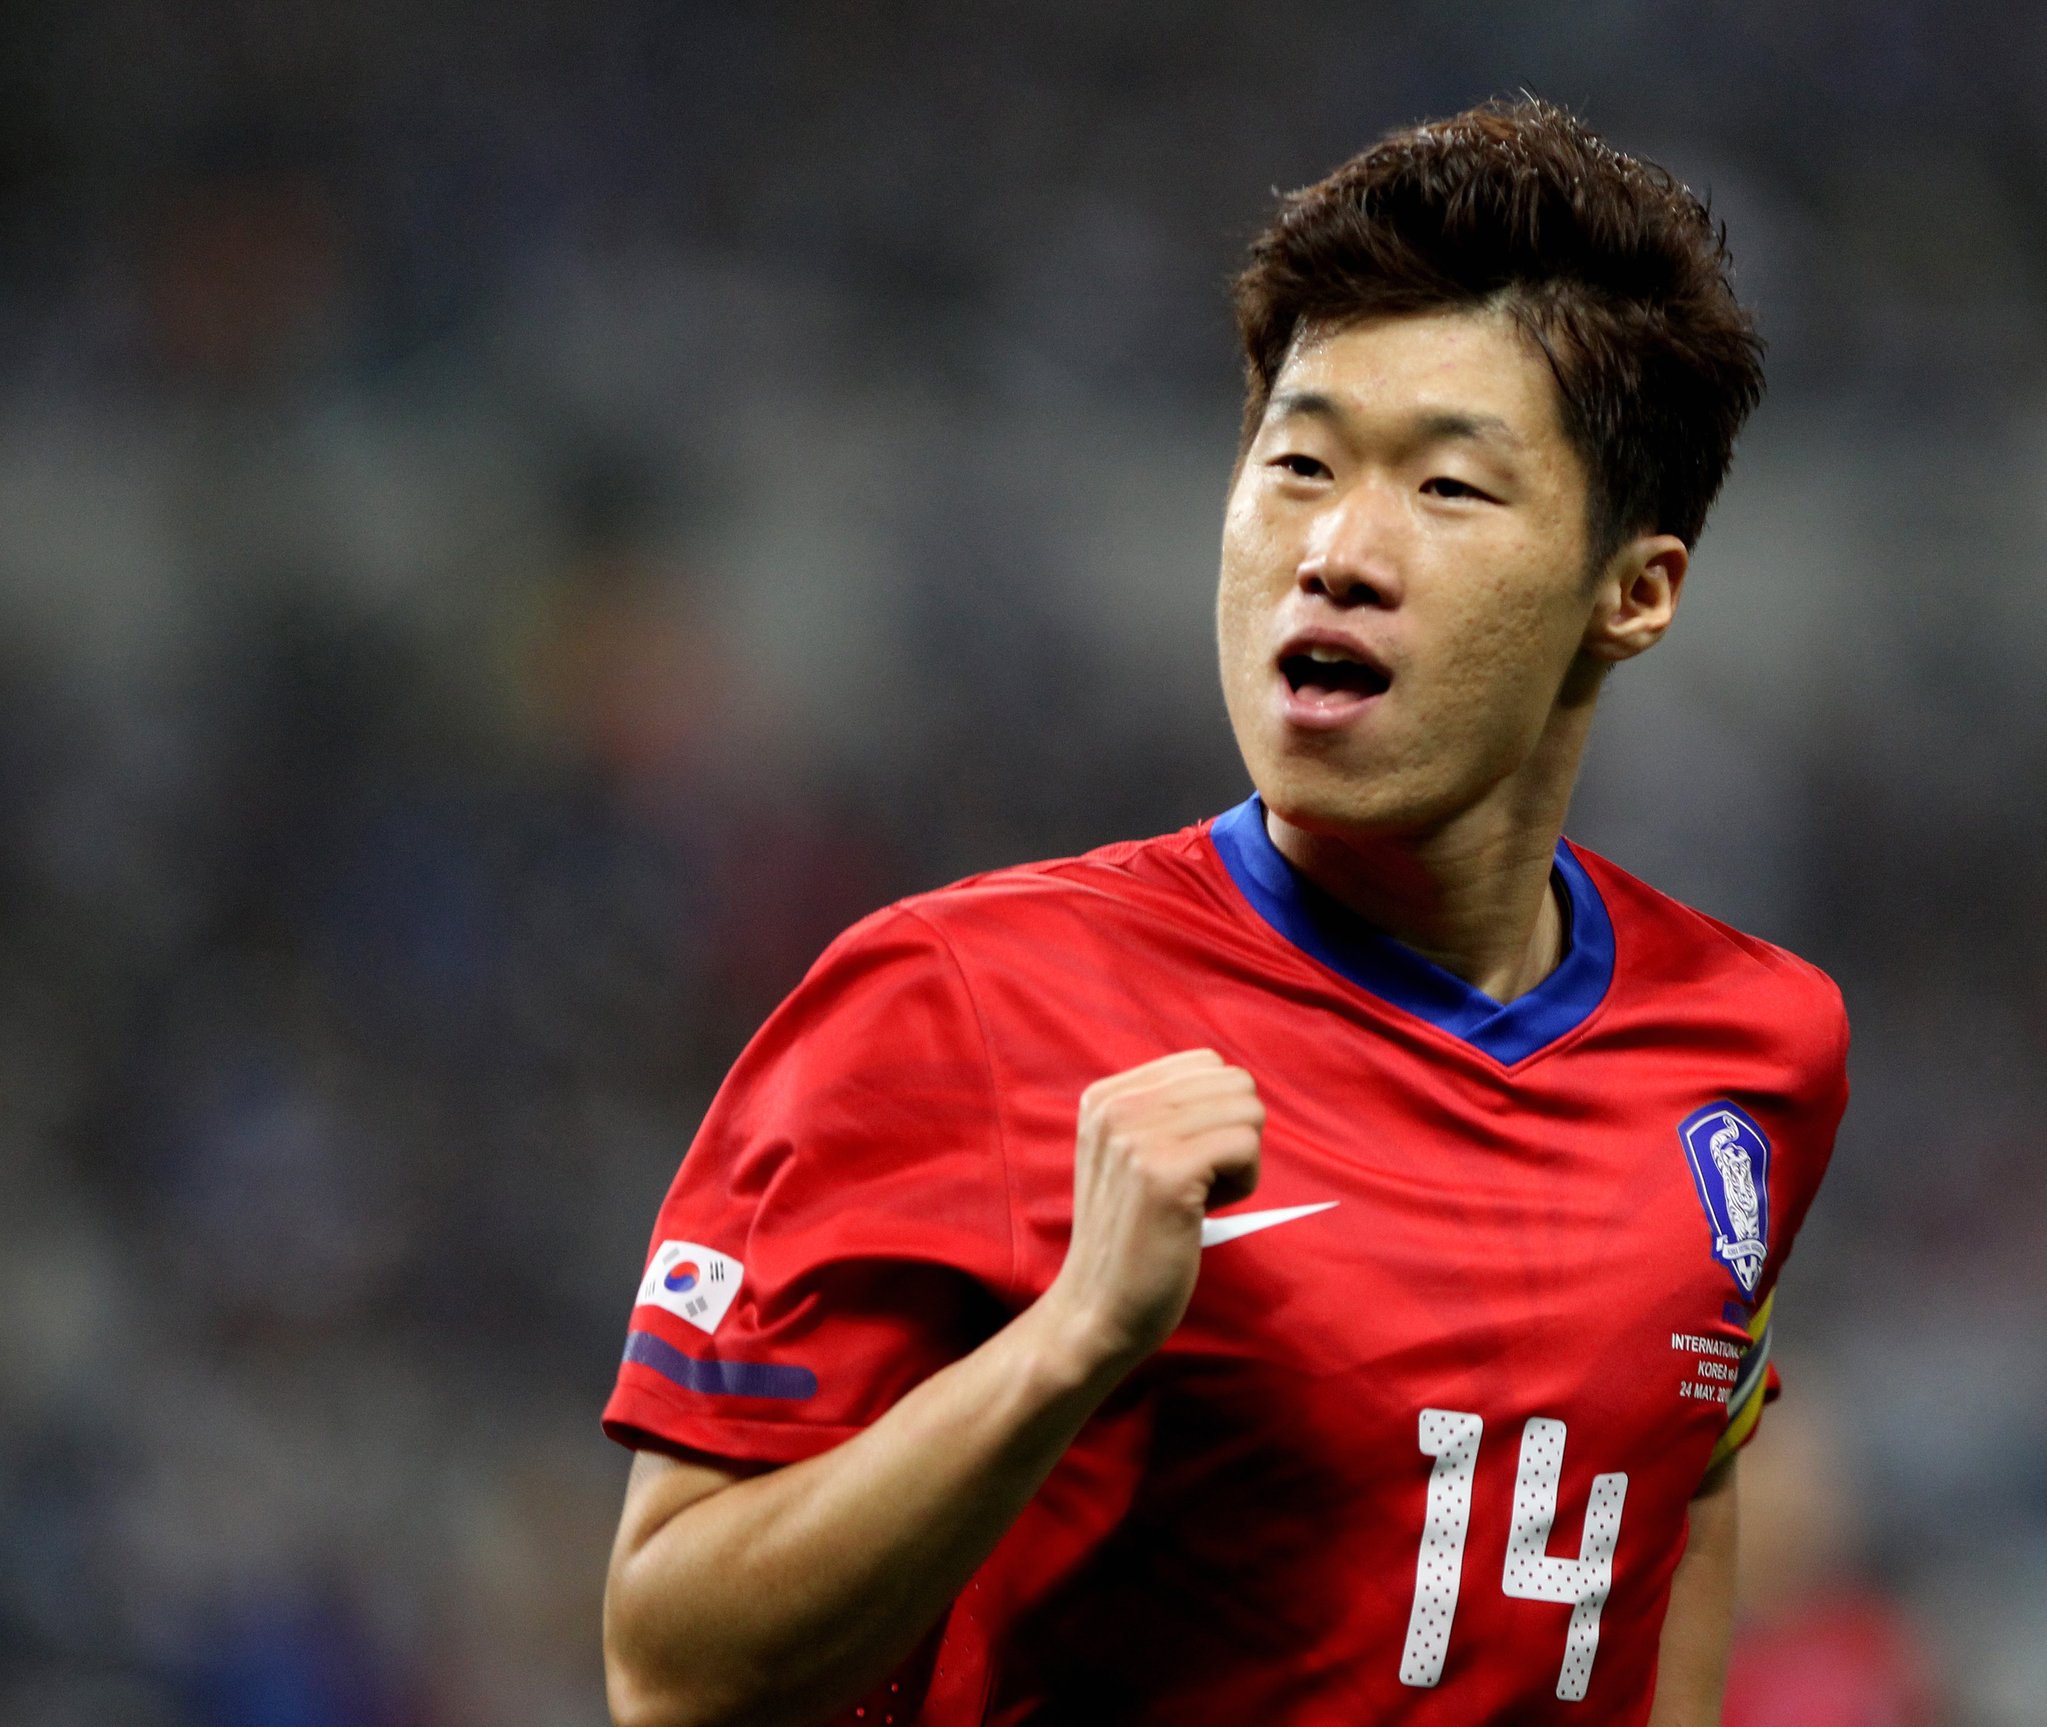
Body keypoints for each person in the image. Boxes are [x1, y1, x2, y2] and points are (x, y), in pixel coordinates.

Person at [599, 97, 1847, 1726]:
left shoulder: (1755, 1047)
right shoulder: (953, 1002)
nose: (1337, 551)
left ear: (1636, 591)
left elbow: (1681, 1491)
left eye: (1448, 488)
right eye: (1299, 466)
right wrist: (1068, 1344)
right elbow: (671, 1671)